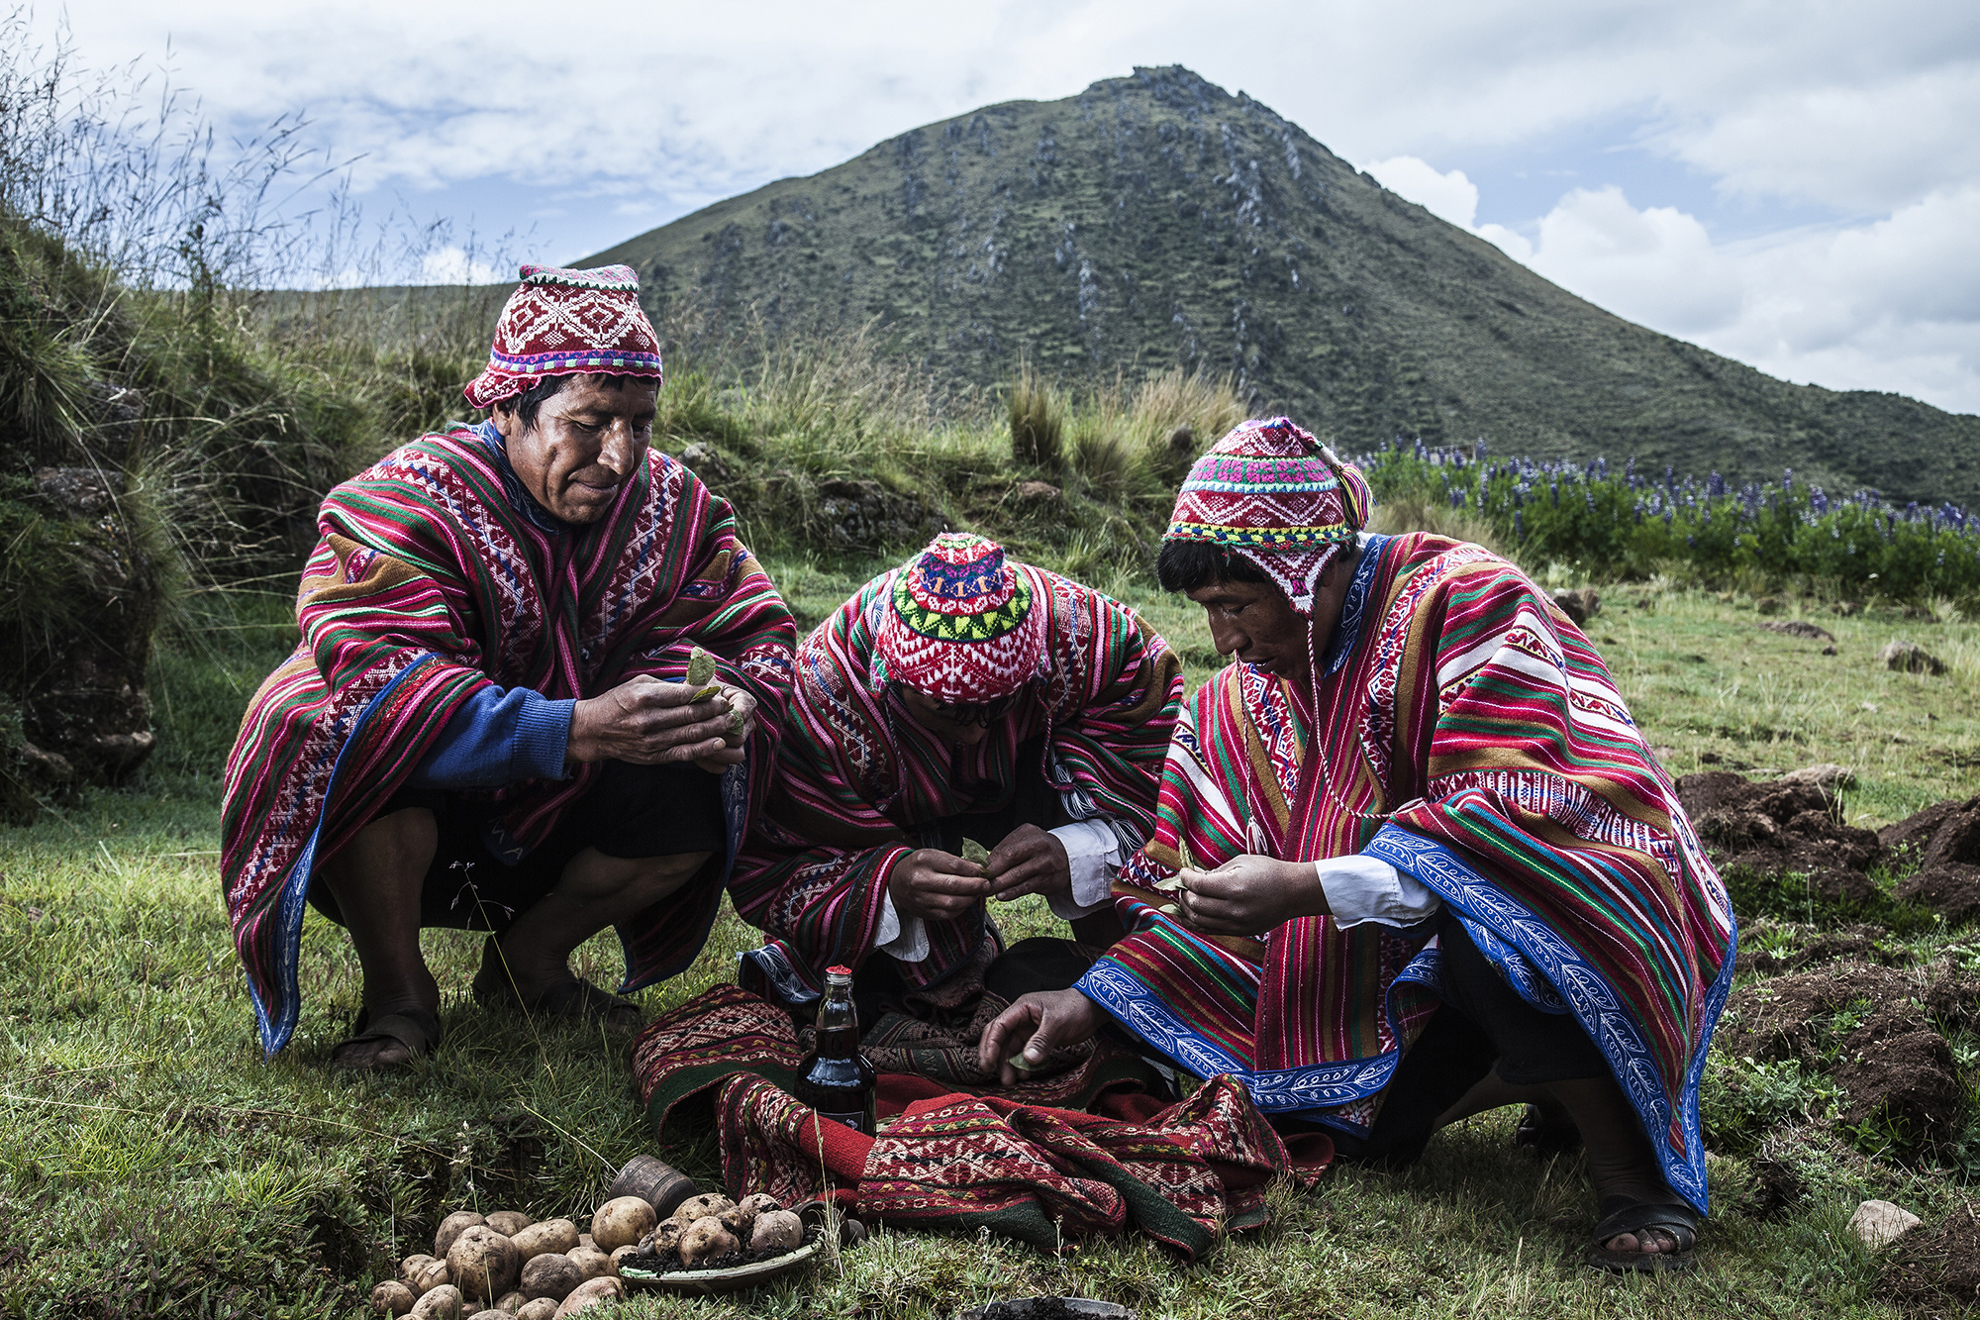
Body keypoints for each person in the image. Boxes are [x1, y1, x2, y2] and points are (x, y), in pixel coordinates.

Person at [980, 417, 1736, 1273]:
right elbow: (1188, 887)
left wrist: (1306, 887)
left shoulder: (1467, 600)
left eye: (1236, 606)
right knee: (1352, 1132)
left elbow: (1525, 817)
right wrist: (1094, 1000)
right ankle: (1538, 1074)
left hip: (1587, 880)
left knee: (1502, 917)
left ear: (1312, 572)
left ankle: (1632, 1174)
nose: (1223, 640)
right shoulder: (1231, 705)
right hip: (1394, 957)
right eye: (1208, 611)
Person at [222, 263, 795, 1070]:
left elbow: (753, 635)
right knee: (331, 717)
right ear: (509, 410)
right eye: (590, 422)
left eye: (641, 422)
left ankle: (529, 959)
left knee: (712, 767)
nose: (622, 454)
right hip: (421, 818)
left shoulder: (679, 508)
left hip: (566, 820)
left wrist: (719, 704)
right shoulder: (405, 501)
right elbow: (378, 676)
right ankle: (397, 995)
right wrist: (578, 726)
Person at [731, 532, 1182, 1015]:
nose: (974, 736)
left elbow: (1153, 771)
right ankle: (931, 964)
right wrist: (890, 882)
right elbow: (776, 853)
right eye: (949, 712)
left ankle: (1129, 996)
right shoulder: (828, 695)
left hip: (1040, 748)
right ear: (887, 680)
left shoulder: (1082, 636)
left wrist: (1077, 848)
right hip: (882, 788)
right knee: (873, 993)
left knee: (1118, 924)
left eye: (996, 708)